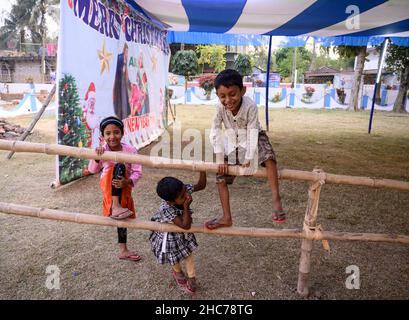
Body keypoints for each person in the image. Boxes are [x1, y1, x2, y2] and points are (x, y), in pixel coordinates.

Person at [207, 69, 286, 230]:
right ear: (217, 95)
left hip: (254, 135)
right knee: (220, 175)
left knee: (269, 157)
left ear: (243, 90)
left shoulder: (250, 105)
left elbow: (252, 132)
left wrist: (249, 156)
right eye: (223, 96)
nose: (228, 100)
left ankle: (276, 200)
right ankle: (226, 217)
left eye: (232, 94)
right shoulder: (219, 108)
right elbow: (215, 131)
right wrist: (221, 158)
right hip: (233, 140)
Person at [88, 116, 142, 261]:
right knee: (118, 165)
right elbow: (92, 170)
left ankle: (123, 250)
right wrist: (96, 157)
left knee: (122, 220)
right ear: (102, 136)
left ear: (122, 133)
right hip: (108, 187)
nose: (112, 136)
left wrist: (128, 181)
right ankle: (115, 205)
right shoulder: (102, 150)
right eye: (108, 133)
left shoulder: (130, 150)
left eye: (116, 132)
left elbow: (137, 171)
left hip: (124, 187)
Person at [149, 173, 206, 294]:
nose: (186, 195)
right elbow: (186, 225)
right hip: (169, 235)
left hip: (182, 232)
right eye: (182, 196)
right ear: (170, 201)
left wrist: (203, 170)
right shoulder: (166, 208)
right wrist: (186, 206)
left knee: (188, 254)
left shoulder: (181, 190)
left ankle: (192, 277)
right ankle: (177, 271)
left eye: (186, 190)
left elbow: (201, 185)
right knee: (173, 257)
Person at [113, 43, 131, 119]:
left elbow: (126, 71)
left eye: (127, 51)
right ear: (124, 50)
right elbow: (118, 69)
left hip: (123, 81)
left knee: (124, 98)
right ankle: (120, 114)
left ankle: (124, 114)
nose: (127, 53)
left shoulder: (126, 59)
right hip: (119, 81)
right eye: (126, 51)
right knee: (119, 98)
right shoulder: (120, 57)